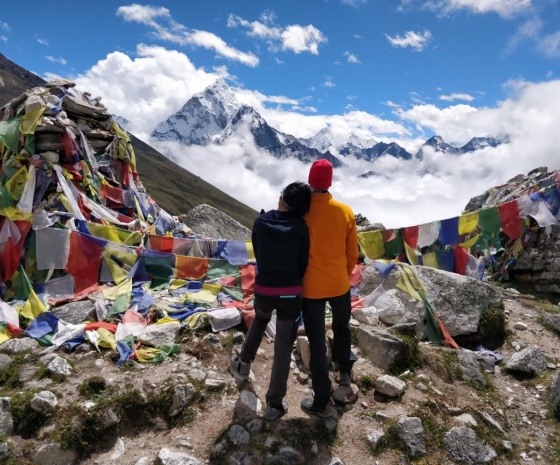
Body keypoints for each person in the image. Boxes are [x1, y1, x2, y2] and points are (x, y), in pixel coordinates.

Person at [230, 181, 312, 421]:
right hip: (290, 293)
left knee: (260, 321)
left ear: (281, 200)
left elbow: (257, 251)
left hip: (264, 288)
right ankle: (274, 404)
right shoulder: (302, 228)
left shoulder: (261, 223)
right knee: (284, 347)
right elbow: (303, 263)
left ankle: (243, 363)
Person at [300, 158, 359, 418]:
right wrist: (342, 275)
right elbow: (352, 254)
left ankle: (321, 398)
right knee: (342, 328)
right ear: (330, 182)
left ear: (310, 181)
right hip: (339, 284)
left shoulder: (301, 212)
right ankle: (345, 375)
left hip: (311, 288)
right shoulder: (345, 211)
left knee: (316, 339)